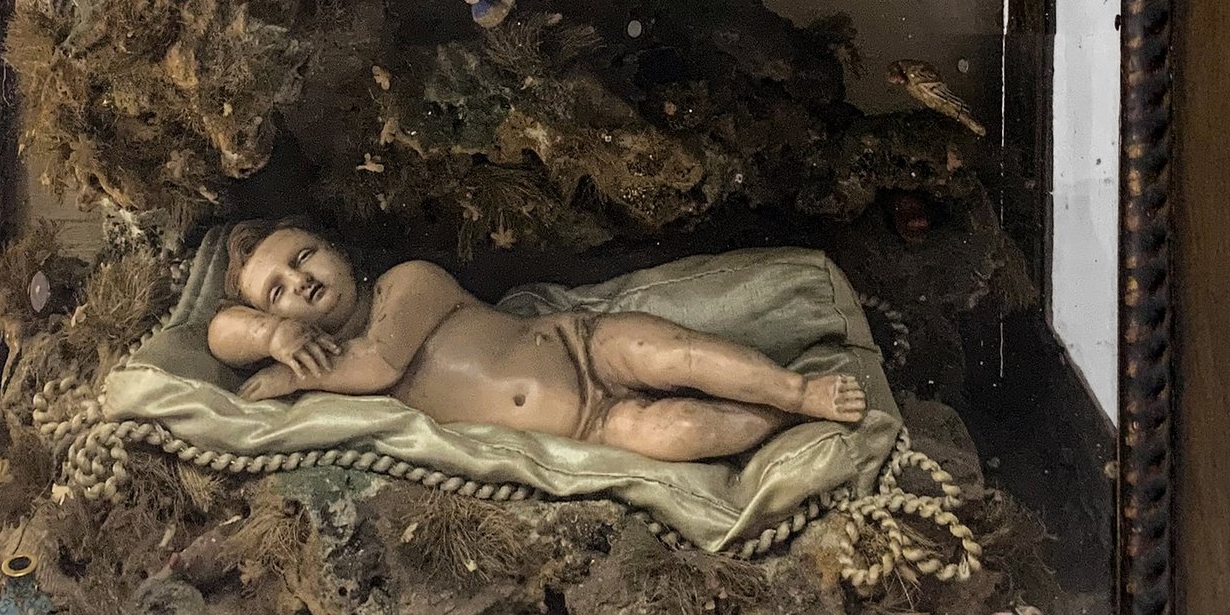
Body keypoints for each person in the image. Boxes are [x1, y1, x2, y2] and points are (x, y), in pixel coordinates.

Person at [206, 220, 866, 463]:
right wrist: (270, 333)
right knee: (684, 431)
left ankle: (796, 390)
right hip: (587, 427)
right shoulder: (325, 362)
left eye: (305, 257)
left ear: (340, 253)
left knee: (679, 355)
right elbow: (216, 335)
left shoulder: (407, 284)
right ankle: (778, 420)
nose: (300, 282)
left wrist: (289, 372)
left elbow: (376, 363)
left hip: (580, 347)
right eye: (277, 291)